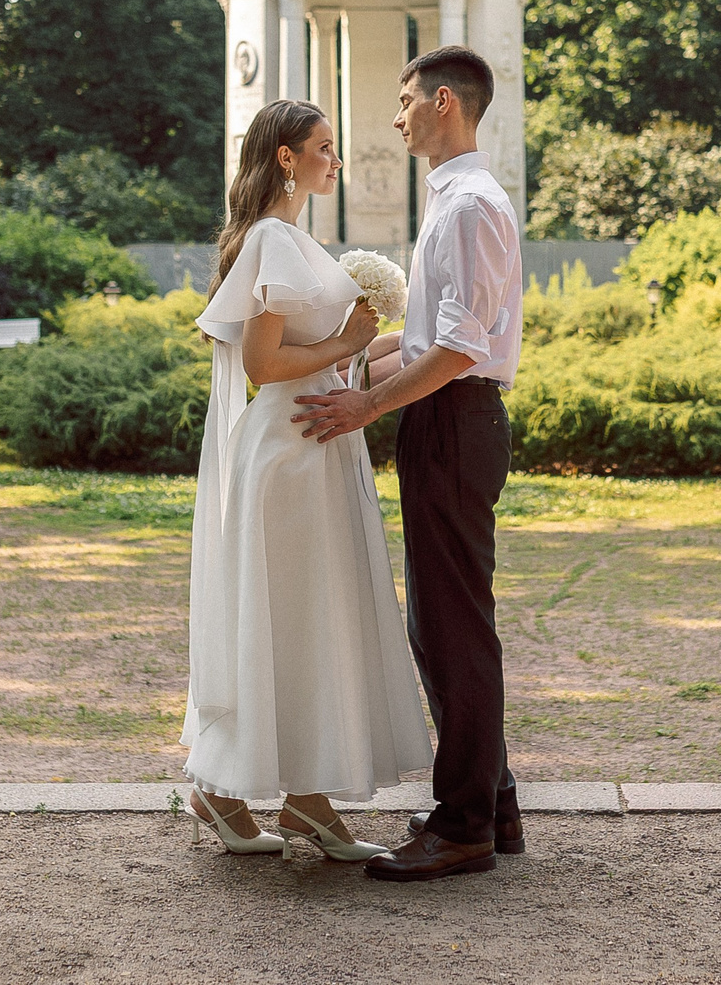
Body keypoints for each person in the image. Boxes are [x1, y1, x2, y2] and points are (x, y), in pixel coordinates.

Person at [295, 44, 523, 883]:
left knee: (449, 624)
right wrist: (361, 360)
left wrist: (366, 403)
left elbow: (462, 349)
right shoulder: (459, 199)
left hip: (455, 423)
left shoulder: (467, 206)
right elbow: (434, 336)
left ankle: (464, 824)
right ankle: (492, 805)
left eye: (405, 101)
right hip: (449, 419)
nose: (395, 117)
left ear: (447, 103)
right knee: (451, 619)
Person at [182, 98, 432, 860]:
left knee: (305, 619)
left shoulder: (291, 238)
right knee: (293, 616)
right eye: (324, 147)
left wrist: (411, 347)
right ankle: (258, 795)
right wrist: (350, 340)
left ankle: (287, 801)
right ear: (286, 157)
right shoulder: (273, 239)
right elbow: (263, 367)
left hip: (315, 448)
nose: (337, 159)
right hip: (289, 454)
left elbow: (330, 350)